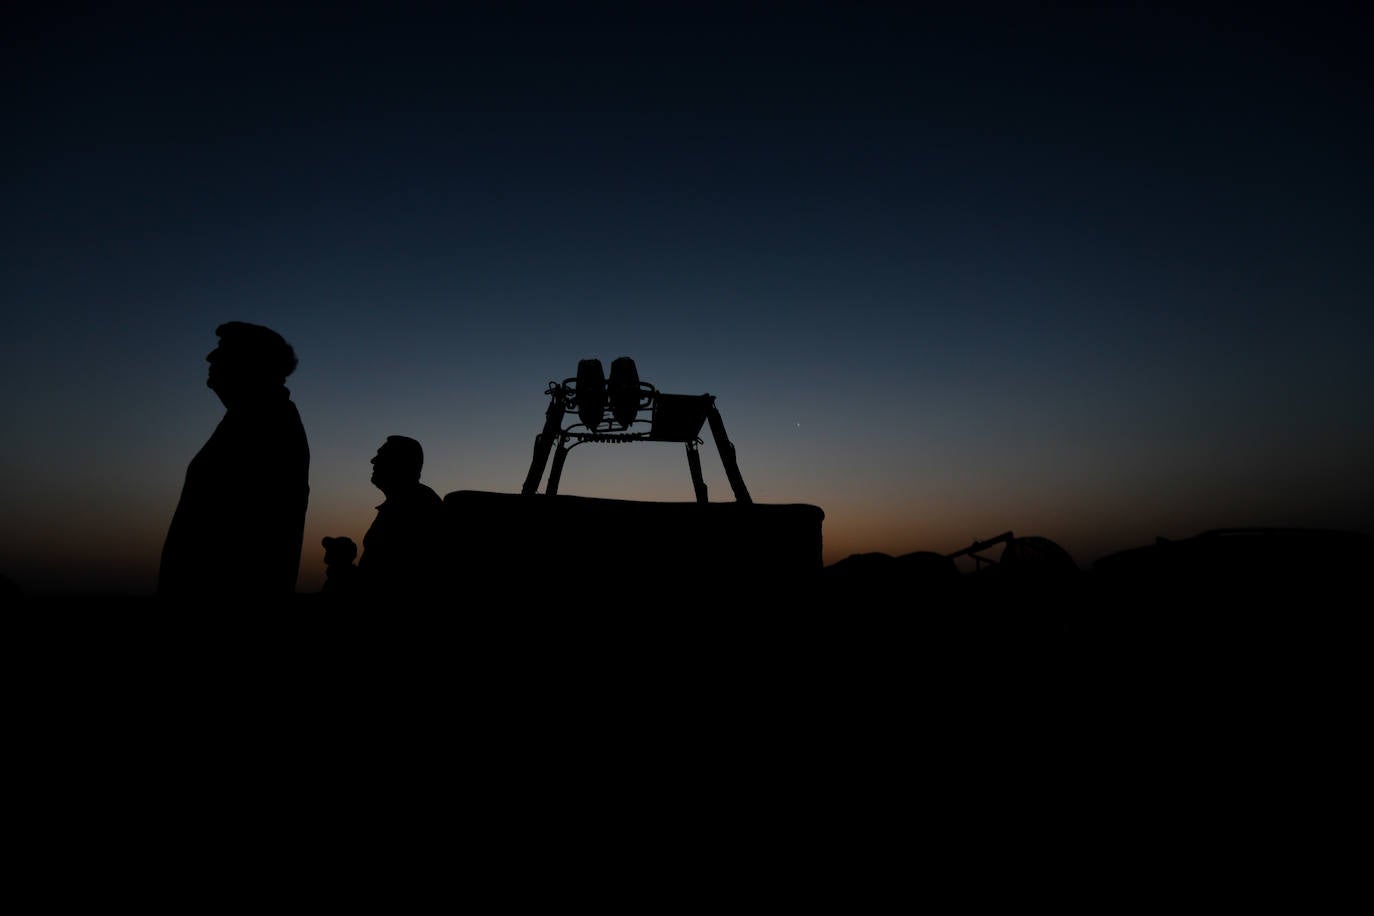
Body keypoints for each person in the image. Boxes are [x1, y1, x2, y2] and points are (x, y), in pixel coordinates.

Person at [158, 322, 310, 600]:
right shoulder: (252, 417)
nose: (210, 357)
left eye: (223, 351)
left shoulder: (266, 421)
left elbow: (256, 530)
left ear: (250, 363)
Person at [323, 436, 444, 601]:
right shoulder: (402, 503)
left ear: (400, 463)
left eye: (382, 455)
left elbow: (390, 578)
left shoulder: (415, 506)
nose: (373, 461)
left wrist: (343, 572)